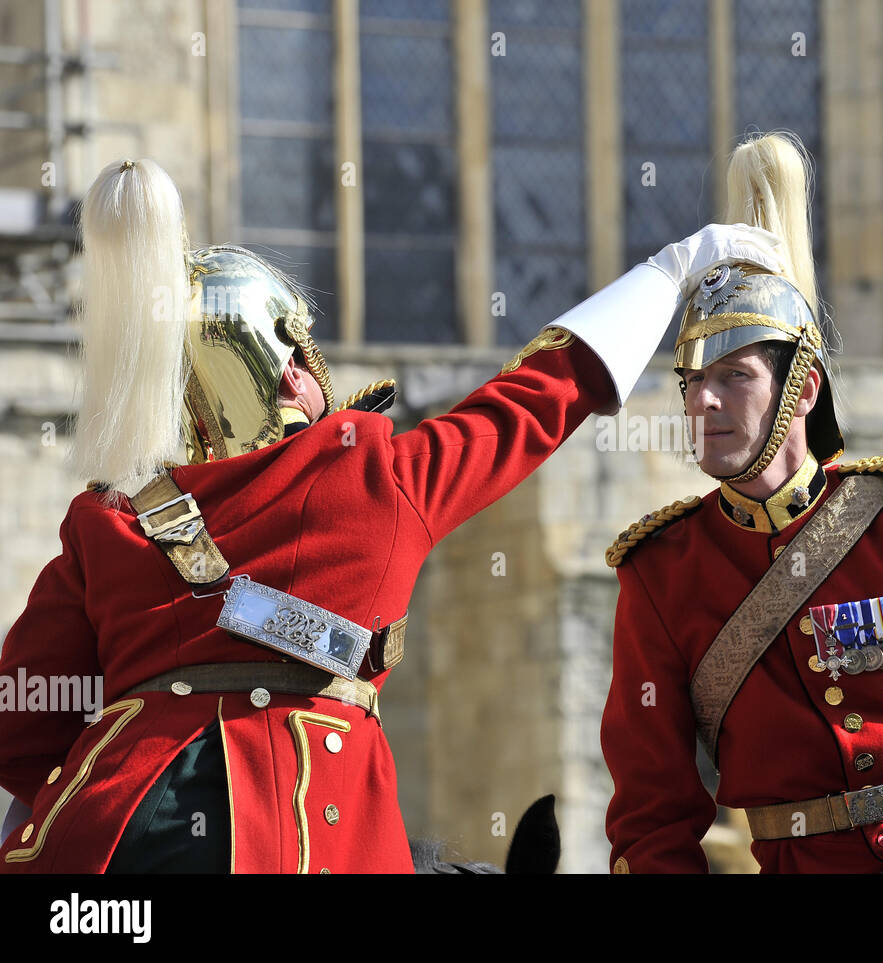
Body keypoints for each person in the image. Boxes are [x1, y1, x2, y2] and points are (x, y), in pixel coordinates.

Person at [0, 157, 782, 873]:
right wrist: (668, 271)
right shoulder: (370, 480)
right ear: (288, 376)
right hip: (297, 839)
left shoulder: (109, 521)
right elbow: (537, 397)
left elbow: (24, 723)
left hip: (99, 849)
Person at [600, 132, 883, 873]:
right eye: (693, 381)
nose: (706, 400)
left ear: (803, 388)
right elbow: (651, 814)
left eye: (736, 375)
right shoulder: (660, 573)